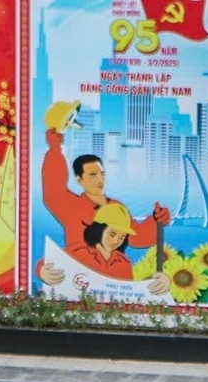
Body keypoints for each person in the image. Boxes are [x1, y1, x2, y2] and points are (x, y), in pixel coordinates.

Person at [35, 101, 168, 263]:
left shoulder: (117, 207)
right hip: (80, 275)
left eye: (102, 174)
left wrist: (156, 220)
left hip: (112, 275)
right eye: (92, 175)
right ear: (79, 179)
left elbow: (138, 238)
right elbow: (53, 188)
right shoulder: (70, 206)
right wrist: (55, 150)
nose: (99, 179)